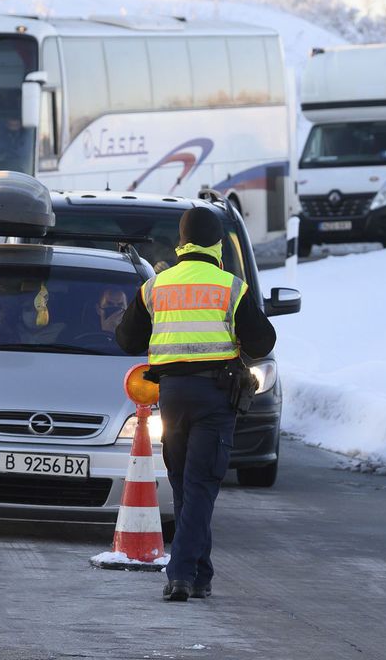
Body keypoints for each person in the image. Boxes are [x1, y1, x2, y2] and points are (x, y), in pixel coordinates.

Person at [115, 207, 276, 602]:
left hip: (171, 397)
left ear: (180, 244)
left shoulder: (155, 286)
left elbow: (126, 339)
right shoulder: (230, 286)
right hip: (214, 397)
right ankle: (181, 574)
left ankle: (200, 573)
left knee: (186, 482)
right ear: (217, 245)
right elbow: (263, 343)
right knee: (202, 484)